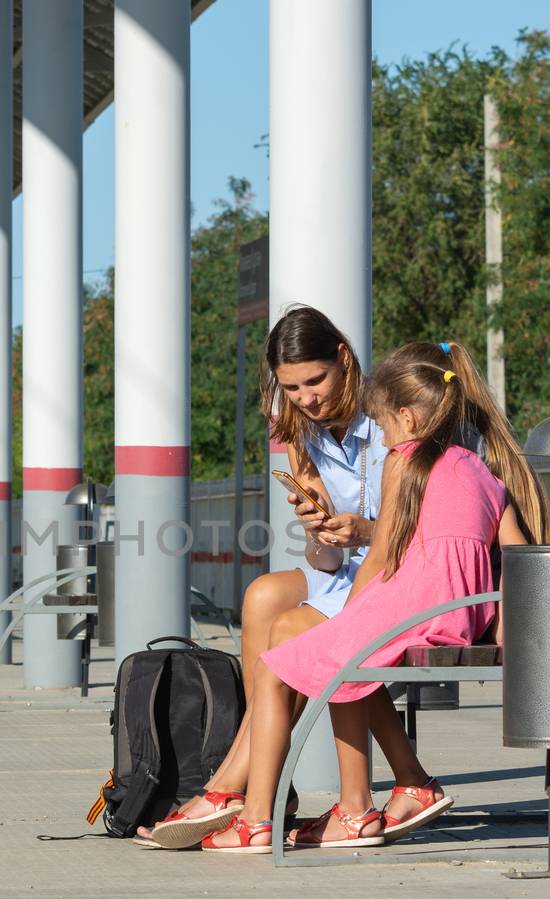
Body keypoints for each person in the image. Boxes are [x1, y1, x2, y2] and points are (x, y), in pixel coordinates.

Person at [199, 339, 550, 853]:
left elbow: (384, 555)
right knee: (344, 657)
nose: (383, 437)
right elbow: (520, 564)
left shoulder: (404, 462)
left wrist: (353, 612)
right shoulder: (487, 474)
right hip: (460, 617)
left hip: (413, 608)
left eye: (384, 426)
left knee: (279, 667)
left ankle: (261, 818)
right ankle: (357, 807)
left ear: (406, 419)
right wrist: (500, 630)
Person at [142, 305, 388, 850]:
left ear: (343, 360)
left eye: (315, 380)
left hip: (395, 572)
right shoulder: (309, 435)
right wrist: (319, 529)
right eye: (291, 387)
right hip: (348, 571)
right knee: (262, 595)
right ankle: (257, 780)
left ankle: (241, 787)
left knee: (299, 625)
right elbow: (325, 564)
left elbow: (421, 529)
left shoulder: (391, 421)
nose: (305, 397)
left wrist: (364, 532)